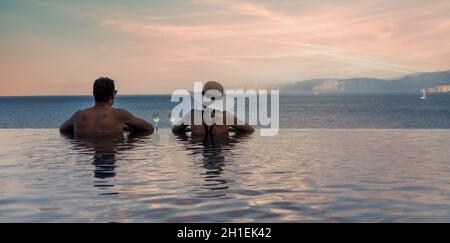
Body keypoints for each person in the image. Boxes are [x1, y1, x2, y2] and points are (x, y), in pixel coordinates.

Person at [60, 77, 154, 135]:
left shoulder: (78, 116)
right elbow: (149, 128)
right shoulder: (120, 115)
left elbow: (62, 129)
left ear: (94, 94)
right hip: (112, 146)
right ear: (112, 95)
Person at [172, 81, 254, 136]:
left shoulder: (192, 115)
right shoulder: (226, 117)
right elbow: (250, 130)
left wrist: (189, 143)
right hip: (220, 150)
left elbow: (175, 130)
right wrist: (231, 141)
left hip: (198, 152)